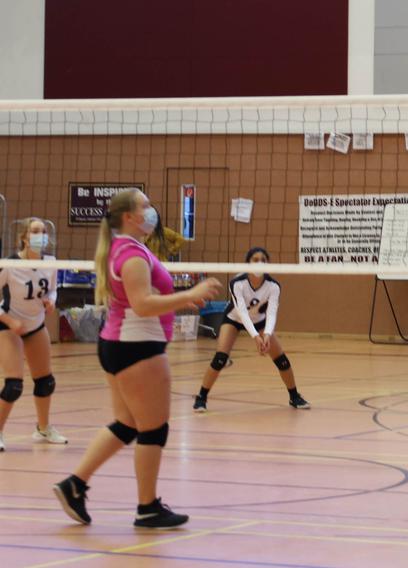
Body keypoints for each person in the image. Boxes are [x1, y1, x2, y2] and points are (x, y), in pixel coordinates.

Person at [53, 189, 220, 528]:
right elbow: (141, 303)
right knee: (154, 428)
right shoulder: (130, 253)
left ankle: (75, 484)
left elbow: (141, 298)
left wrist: (179, 302)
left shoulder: (128, 248)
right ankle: (147, 507)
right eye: (144, 206)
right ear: (128, 216)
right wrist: (190, 293)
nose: (151, 210)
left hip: (121, 342)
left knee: (126, 424)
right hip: (138, 346)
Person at [193, 247, 309, 412]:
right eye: (255, 260)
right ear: (248, 263)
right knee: (220, 358)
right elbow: (242, 312)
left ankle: (294, 396)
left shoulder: (273, 286)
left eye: (263, 260)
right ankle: (201, 398)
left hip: (260, 322)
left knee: (282, 360)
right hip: (234, 319)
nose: (259, 263)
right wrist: (256, 337)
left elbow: (272, 313)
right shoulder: (237, 283)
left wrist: (267, 334)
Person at [0, 218, 66, 451]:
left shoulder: (51, 262)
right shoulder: (9, 264)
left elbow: (53, 290)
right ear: (25, 237)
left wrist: (51, 303)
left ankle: (43, 428)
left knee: (45, 382)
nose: (41, 235)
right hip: (9, 325)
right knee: (14, 386)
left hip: (36, 324)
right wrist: (10, 321)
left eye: (44, 231)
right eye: (36, 231)